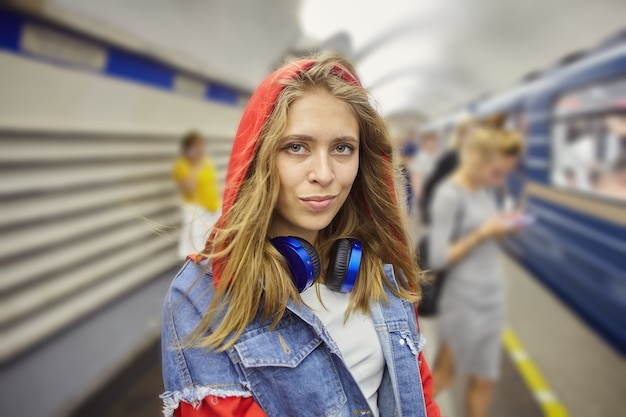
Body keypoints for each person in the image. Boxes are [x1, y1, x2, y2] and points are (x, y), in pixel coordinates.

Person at [160, 53, 441, 417]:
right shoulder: (202, 302)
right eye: (296, 147)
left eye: (342, 148)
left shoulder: (378, 264)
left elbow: (421, 397)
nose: (324, 174)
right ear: (259, 159)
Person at [427, 126, 521, 417]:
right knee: (444, 376)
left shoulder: (487, 189)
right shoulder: (449, 194)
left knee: (484, 379)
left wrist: (503, 227)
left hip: (491, 296)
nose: (500, 180)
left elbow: (492, 235)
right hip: (463, 299)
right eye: (496, 172)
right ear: (478, 160)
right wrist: (482, 233)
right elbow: (438, 256)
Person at [172, 132, 221, 258]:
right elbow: (190, 189)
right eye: (196, 147)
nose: (200, 150)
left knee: (211, 239)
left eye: (201, 146)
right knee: (196, 241)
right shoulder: (182, 165)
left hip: (212, 206)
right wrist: (194, 166)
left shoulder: (206, 163)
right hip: (195, 208)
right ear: (188, 148)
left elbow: (212, 184)